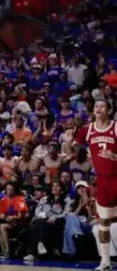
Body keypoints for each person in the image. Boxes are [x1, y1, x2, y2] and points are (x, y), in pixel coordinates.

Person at [66, 99, 117, 271]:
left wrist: (115, 156)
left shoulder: (115, 127)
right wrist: (68, 142)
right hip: (102, 180)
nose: (99, 109)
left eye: (103, 106)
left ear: (109, 110)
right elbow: (72, 150)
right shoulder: (86, 130)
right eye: (96, 106)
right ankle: (105, 262)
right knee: (104, 222)